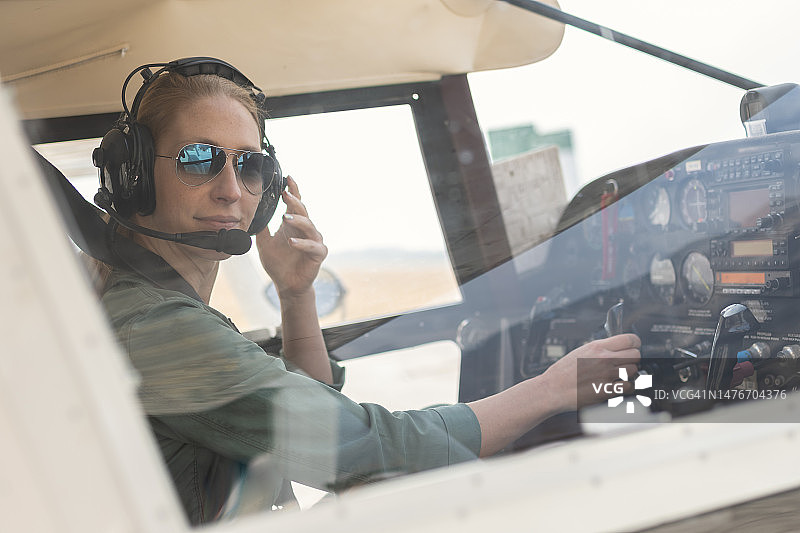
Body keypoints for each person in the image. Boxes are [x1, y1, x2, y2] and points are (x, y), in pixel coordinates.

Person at [92, 58, 641, 525]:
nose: (232, 189)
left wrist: (295, 292)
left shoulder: (159, 307)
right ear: (134, 175)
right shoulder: (155, 326)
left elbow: (297, 414)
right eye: (199, 158)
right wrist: (552, 389)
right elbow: (367, 449)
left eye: (250, 164)